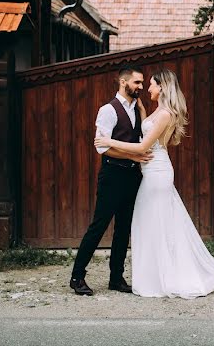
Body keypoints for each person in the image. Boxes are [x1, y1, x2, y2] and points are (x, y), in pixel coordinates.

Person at [94, 69, 214, 298]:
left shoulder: (166, 114)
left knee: (154, 222)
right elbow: (147, 130)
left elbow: (142, 148)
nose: (147, 88)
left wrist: (108, 141)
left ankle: (165, 277)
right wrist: (140, 111)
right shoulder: (157, 111)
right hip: (151, 171)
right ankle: (154, 274)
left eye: (151, 85)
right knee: (151, 222)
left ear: (162, 87)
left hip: (157, 173)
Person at [69, 66, 152, 296]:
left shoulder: (138, 108)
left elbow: (142, 138)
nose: (141, 87)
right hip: (112, 175)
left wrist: (135, 158)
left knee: (123, 229)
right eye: (137, 82)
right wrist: (133, 155)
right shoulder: (108, 110)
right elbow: (103, 147)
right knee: (99, 226)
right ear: (123, 83)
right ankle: (77, 277)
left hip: (132, 176)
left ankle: (116, 278)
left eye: (142, 83)